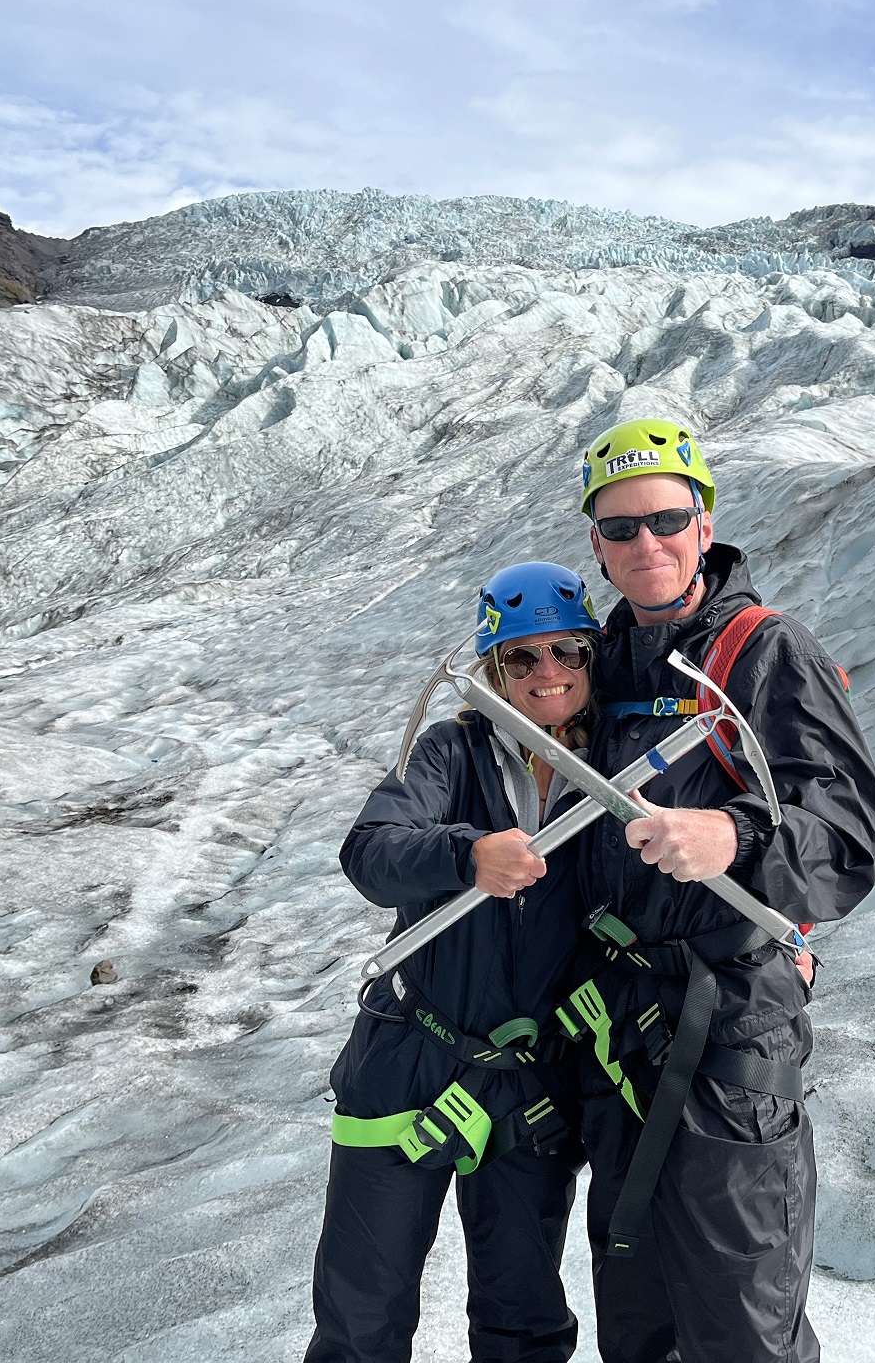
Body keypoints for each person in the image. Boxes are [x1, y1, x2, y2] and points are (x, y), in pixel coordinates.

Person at [559, 418, 875, 1363]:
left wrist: (733, 836)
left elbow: (850, 839)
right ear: (597, 546)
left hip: (729, 1032)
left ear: (705, 526)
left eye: (668, 519)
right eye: (621, 528)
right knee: (638, 1323)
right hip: (617, 1037)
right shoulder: (595, 667)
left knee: (744, 1328)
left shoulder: (765, 653)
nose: (647, 543)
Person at [304, 561, 604, 1363]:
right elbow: (370, 853)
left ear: (592, 658)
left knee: (522, 1317)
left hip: (532, 1080)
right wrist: (466, 853)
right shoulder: (450, 753)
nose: (547, 671)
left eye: (567, 651)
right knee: (361, 1316)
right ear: (493, 670)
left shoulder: (616, 770)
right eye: (521, 656)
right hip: (406, 1056)